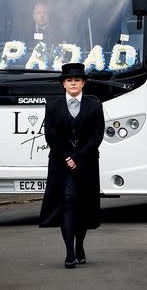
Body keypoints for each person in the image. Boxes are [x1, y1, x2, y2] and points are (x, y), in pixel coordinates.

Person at [39, 62, 105, 268]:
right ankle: (69, 253)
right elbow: (50, 135)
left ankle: (80, 246)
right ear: (64, 84)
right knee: (67, 200)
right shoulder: (52, 106)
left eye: (77, 80)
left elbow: (97, 135)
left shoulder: (95, 105)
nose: (73, 83)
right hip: (61, 163)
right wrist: (68, 156)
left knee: (83, 204)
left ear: (83, 83)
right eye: (69, 80)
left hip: (86, 163)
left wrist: (78, 157)